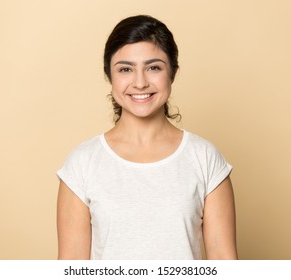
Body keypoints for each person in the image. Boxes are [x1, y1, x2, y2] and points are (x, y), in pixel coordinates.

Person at [56, 15, 237, 260]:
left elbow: (224, 263)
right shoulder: (82, 163)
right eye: (125, 69)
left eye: (153, 67)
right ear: (110, 76)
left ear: (172, 73)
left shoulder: (204, 158)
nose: (140, 83)